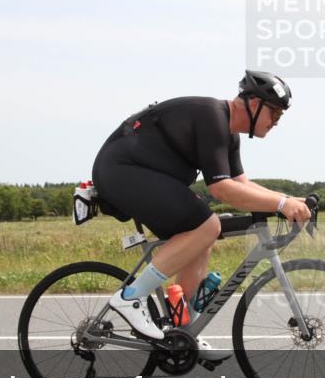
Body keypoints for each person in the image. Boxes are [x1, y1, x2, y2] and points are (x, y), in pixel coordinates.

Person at [91, 71, 311, 361]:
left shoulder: (229, 133)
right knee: (208, 224)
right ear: (255, 103)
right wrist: (282, 203)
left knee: (202, 237)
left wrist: (290, 201)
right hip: (121, 171)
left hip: (141, 173)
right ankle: (130, 298)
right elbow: (222, 189)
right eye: (275, 114)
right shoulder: (212, 117)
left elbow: (242, 185)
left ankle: (183, 331)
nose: (276, 123)